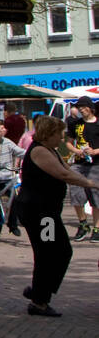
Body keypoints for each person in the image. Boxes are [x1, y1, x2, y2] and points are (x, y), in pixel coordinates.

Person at [17, 116, 99, 316]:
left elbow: (68, 169)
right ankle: (39, 301)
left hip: (48, 212)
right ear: (50, 133)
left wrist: (87, 179)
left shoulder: (50, 150)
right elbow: (63, 175)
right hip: (40, 213)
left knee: (58, 251)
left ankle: (38, 292)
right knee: (50, 252)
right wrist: (93, 184)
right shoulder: (39, 151)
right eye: (60, 134)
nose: (62, 139)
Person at [63, 96, 99, 242]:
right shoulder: (75, 124)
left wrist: (95, 151)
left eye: (84, 107)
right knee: (75, 192)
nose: (81, 109)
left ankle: (97, 227)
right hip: (79, 162)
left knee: (95, 195)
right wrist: (77, 151)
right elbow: (69, 143)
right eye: (79, 107)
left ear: (91, 108)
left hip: (96, 164)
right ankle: (83, 223)